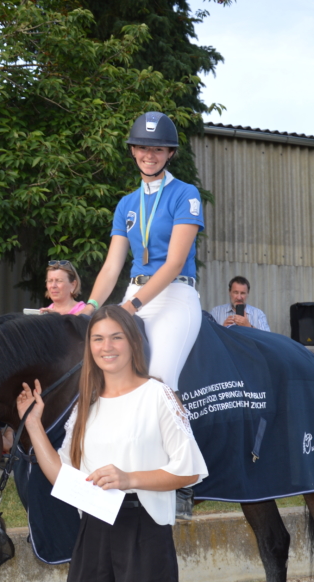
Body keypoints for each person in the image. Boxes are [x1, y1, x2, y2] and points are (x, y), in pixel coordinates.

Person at [16, 305, 209, 582]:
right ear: (89, 347)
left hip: (143, 529)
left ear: (132, 342)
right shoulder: (86, 404)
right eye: (98, 338)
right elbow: (61, 476)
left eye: (116, 337)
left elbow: (189, 469)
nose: (107, 346)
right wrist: (34, 425)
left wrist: (128, 477)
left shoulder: (159, 395)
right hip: (93, 529)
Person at [79, 111, 205, 391]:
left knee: (159, 381)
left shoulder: (186, 194)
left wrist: (130, 307)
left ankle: (180, 434)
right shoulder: (126, 204)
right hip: (133, 294)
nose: (150, 155)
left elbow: (174, 263)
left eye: (158, 149)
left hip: (174, 296)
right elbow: (112, 267)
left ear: (170, 153)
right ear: (134, 151)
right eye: (144, 148)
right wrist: (90, 307)